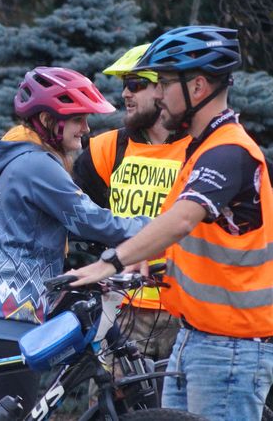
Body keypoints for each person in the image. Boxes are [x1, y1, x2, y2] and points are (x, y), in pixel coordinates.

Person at [69, 26, 273, 421]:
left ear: (197, 87)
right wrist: (150, 258)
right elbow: (197, 233)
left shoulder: (228, 151)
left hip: (230, 349)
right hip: (196, 337)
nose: (156, 94)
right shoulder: (202, 149)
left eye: (162, 83)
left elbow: (181, 219)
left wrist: (109, 262)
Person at [0, 66, 151, 417]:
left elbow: (38, 223)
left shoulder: (9, 159)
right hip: (11, 323)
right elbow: (90, 219)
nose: (86, 130)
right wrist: (160, 229)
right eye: (78, 119)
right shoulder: (37, 164)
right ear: (47, 119)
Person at [74, 44, 191, 362]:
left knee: (178, 412)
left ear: (163, 88)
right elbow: (78, 220)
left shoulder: (201, 149)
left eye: (136, 84)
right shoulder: (106, 148)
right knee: (112, 406)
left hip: (185, 310)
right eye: (124, 84)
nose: (126, 93)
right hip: (120, 305)